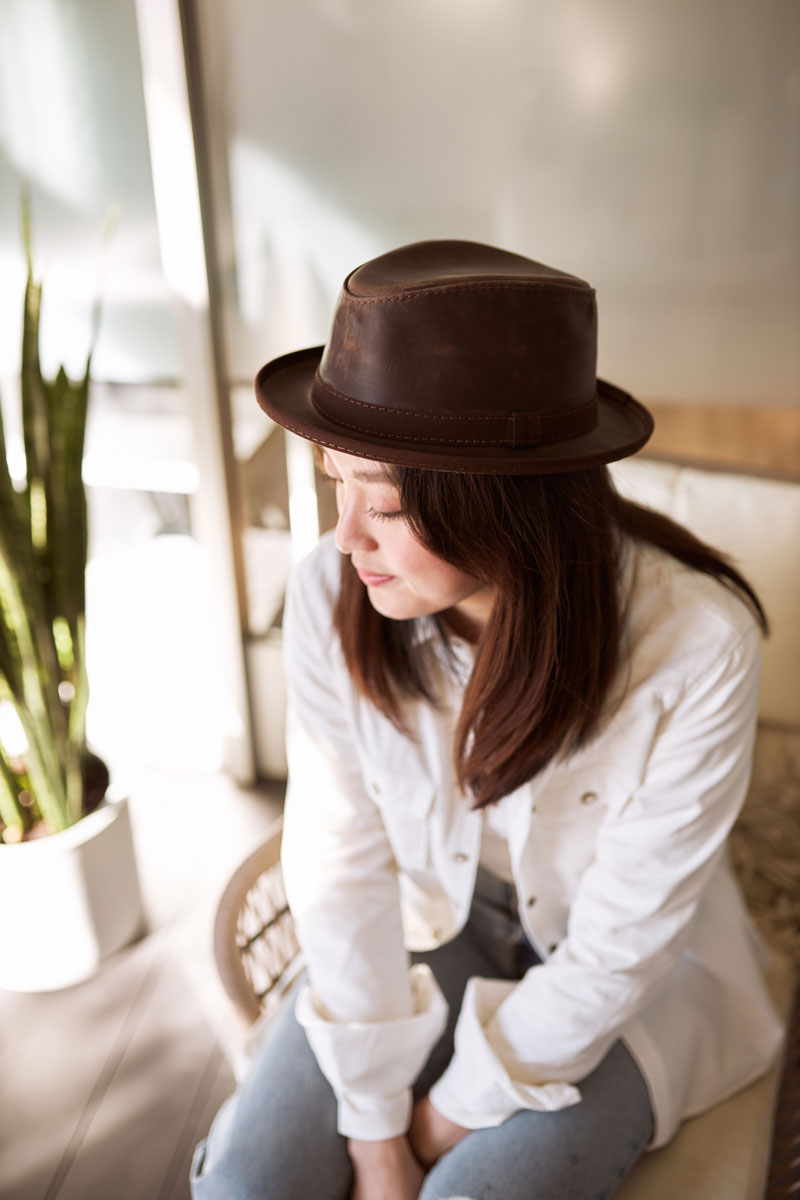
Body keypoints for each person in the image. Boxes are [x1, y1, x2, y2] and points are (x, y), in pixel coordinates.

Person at [190, 240, 784, 1200]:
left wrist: (439, 1120)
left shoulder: (699, 648)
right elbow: (343, 863)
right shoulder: (326, 594)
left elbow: (619, 950)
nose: (347, 538)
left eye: (382, 504)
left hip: (629, 978)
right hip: (430, 916)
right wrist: (376, 1135)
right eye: (337, 483)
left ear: (505, 506)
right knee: (246, 1186)